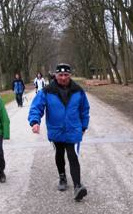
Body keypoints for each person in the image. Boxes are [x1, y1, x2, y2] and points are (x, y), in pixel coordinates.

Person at [28, 63, 90, 201]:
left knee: (73, 156)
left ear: (70, 75)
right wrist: (35, 121)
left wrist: (84, 126)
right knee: (60, 154)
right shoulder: (47, 91)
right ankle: (62, 177)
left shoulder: (78, 91)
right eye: (60, 75)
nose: (63, 77)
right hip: (56, 130)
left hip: (73, 130)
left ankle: (77, 186)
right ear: (55, 75)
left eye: (66, 75)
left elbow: (84, 109)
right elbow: (36, 107)